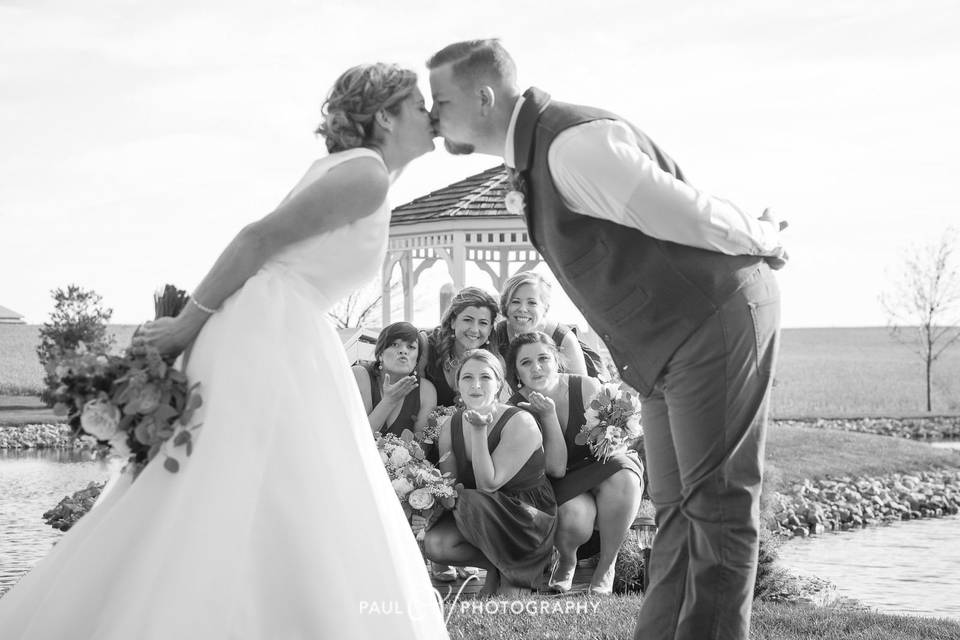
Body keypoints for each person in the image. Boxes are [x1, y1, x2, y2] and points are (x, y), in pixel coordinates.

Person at [0, 63, 449, 639]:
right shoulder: (364, 174)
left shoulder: (361, 173)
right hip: (264, 336)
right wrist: (185, 325)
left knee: (257, 483)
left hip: (284, 333)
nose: (430, 115)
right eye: (417, 105)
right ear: (384, 115)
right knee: (238, 481)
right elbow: (255, 240)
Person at [428, 39, 784, 640]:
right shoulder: (534, 160)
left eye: (439, 102)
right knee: (678, 509)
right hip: (660, 347)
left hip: (711, 319)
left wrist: (763, 235)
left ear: (484, 97)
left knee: (719, 507)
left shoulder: (572, 145)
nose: (432, 118)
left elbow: (685, 210)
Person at [506, 332, 643, 594]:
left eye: (543, 358)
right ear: (516, 372)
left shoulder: (587, 386)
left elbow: (620, 433)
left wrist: (614, 439)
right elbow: (554, 469)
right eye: (526, 363)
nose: (536, 367)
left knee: (624, 473)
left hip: (602, 467)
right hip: (560, 479)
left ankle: (607, 565)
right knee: (574, 516)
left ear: (556, 360)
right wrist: (547, 415)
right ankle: (568, 559)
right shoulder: (516, 409)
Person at [416, 349, 557, 597]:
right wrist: (423, 508)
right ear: (458, 385)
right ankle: (500, 567)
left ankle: (530, 560)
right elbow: (452, 488)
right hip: (481, 513)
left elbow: (488, 485)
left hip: (526, 518)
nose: (476, 385)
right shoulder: (450, 424)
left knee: (469, 499)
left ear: (499, 383)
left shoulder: (520, 421)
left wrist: (480, 431)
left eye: (485, 377)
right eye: (467, 378)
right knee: (435, 544)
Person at [492, 270, 590, 378]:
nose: (523, 309)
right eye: (515, 301)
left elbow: (581, 388)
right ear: (505, 305)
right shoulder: (496, 334)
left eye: (532, 303)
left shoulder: (563, 339)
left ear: (545, 307)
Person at [353, 321, 437, 440]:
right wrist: (389, 401)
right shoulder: (360, 376)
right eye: (394, 344)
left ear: (417, 360)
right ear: (380, 353)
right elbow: (357, 440)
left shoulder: (426, 391)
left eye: (411, 347)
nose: (403, 351)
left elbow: (421, 449)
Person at [420, 286, 501, 408]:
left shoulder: (496, 362)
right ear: (453, 321)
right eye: (468, 320)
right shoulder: (426, 345)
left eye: (483, 323)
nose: (474, 329)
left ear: (490, 329)